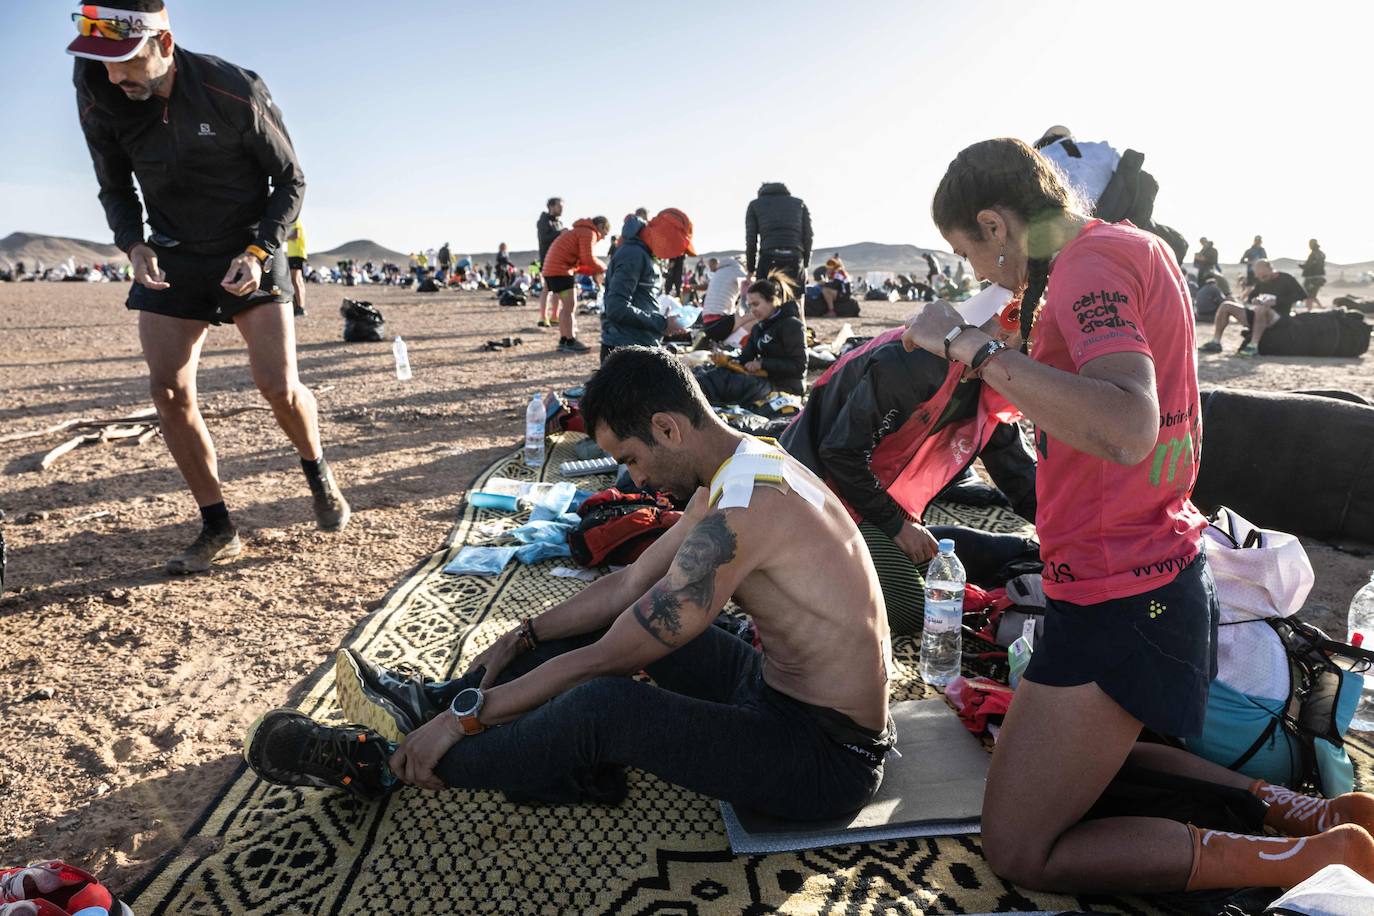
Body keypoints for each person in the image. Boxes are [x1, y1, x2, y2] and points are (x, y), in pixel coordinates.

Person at [901, 137, 1374, 893]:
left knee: (1020, 848)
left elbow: (1127, 423)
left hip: (1125, 593)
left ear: (995, 224)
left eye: (970, 252)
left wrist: (972, 347)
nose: (979, 273)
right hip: (1147, 569)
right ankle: (1290, 808)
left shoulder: (1088, 264)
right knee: (1065, 746)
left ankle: (1308, 858)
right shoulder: (1121, 248)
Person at [243, 346, 897, 826]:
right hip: (775, 693)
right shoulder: (741, 465)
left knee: (602, 706)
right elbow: (631, 582)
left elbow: (614, 655)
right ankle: (436, 700)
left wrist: (469, 722)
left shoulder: (747, 506)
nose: (635, 482)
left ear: (668, 427)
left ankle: (388, 760)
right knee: (592, 625)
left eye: (633, 460)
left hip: (826, 756)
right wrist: (524, 632)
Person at [70, 0, 349, 574]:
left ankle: (317, 469)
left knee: (278, 386)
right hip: (172, 251)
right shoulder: (98, 84)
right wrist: (133, 243)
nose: (114, 76)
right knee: (168, 391)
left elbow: (290, 178)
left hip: (247, 244)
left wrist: (259, 250)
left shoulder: (231, 87)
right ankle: (218, 526)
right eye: (103, 64)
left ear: (164, 46)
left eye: (126, 62)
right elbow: (113, 183)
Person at [782, 313, 1039, 637]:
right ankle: (794, 576)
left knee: (938, 573)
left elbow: (1022, 478)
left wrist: (1071, 544)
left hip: (869, 494)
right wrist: (896, 525)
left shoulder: (988, 391)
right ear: (1003, 334)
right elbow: (840, 453)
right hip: (812, 489)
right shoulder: (917, 362)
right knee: (911, 608)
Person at [694, 273, 806, 406]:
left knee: (725, 382)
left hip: (784, 387)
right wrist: (727, 360)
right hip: (762, 379)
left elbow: (799, 366)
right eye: (750, 305)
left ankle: (697, 401)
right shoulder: (759, 328)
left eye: (756, 304)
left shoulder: (791, 325)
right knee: (716, 373)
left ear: (773, 300)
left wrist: (763, 364)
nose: (752, 310)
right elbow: (746, 357)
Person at [600, 209, 696, 364]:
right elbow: (617, 308)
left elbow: (639, 299)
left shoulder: (643, 252)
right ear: (666, 236)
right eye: (677, 246)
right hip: (626, 351)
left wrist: (663, 322)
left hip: (637, 345)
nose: (676, 254)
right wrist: (662, 323)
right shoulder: (633, 255)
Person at [1200, 259, 1305, 356]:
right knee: (1226, 305)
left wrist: (1277, 301)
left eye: (1264, 276)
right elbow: (1252, 296)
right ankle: (1216, 342)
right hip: (1259, 315)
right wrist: (1254, 300)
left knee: (1261, 309)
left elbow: (1302, 295)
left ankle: (1253, 346)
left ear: (1270, 268)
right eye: (1258, 277)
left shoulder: (1286, 278)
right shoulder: (1261, 281)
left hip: (1279, 317)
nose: (1261, 279)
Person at [541, 216, 609, 353]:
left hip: (551, 271)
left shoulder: (578, 231)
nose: (603, 238)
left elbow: (581, 262)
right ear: (601, 226)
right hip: (560, 271)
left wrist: (594, 271)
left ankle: (564, 339)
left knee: (565, 307)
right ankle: (570, 341)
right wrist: (604, 268)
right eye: (605, 233)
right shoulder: (588, 233)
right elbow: (587, 258)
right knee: (570, 306)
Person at [745, 182, 812, 291]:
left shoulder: (755, 205)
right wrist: (805, 264)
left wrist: (750, 269)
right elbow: (808, 236)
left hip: (769, 256)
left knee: (765, 299)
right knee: (795, 299)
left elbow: (751, 240)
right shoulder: (799, 204)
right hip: (794, 255)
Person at [701, 255, 752, 343]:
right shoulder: (737, 269)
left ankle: (727, 342)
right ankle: (731, 343)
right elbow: (753, 287)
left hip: (707, 324)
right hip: (719, 323)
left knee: (738, 317)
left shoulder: (720, 271)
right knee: (757, 316)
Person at [285, 219, 307, 317]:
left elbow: (296, 235)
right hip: (296, 253)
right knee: (298, 280)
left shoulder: (294, 219)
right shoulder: (295, 220)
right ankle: (300, 306)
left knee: (295, 280)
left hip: (296, 253)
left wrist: (282, 236)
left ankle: (299, 307)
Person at [1300, 238, 1327, 309]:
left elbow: (1308, 266)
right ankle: (1320, 307)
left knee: (1308, 295)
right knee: (1312, 294)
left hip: (1311, 278)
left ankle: (1309, 310)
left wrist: (1301, 266)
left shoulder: (1313, 254)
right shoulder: (1321, 254)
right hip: (1319, 278)